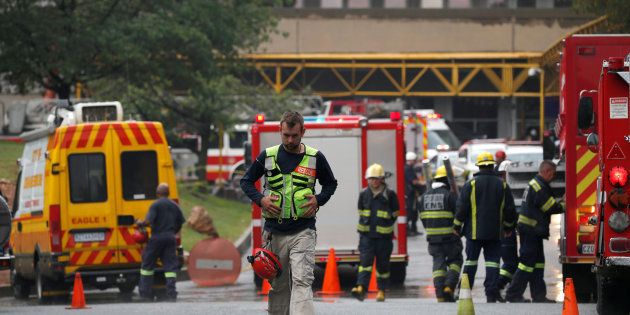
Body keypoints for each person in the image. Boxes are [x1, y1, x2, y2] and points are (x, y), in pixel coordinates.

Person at [240, 111, 338, 315]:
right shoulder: (267, 156)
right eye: (286, 135)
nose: (290, 140)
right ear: (280, 131)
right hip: (274, 232)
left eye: (294, 135)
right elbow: (246, 181)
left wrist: (319, 199)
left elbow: (330, 184)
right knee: (279, 285)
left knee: (302, 280)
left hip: (303, 231)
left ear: (303, 131)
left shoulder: (315, 157)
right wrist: (261, 200)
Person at [453, 152, 517, 303]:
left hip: (473, 232)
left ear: (479, 166)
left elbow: (462, 208)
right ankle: (492, 294)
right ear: (492, 165)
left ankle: (463, 292)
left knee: (470, 262)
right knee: (493, 263)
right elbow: (510, 209)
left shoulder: (471, 184)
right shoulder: (502, 184)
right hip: (495, 233)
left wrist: (456, 226)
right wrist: (508, 228)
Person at [506, 160, 564, 303]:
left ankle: (538, 295)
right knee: (526, 263)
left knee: (538, 263)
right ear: (547, 171)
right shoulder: (539, 187)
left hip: (533, 231)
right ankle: (513, 294)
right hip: (531, 231)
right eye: (553, 173)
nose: (553, 177)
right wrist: (564, 203)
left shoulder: (537, 184)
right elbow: (549, 207)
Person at [351, 163, 399, 303]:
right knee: (365, 263)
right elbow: (361, 210)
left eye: (376, 178)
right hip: (366, 237)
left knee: (383, 266)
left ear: (382, 179)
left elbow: (396, 212)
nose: (374, 181)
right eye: (371, 178)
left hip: (384, 238)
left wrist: (386, 222)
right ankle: (361, 288)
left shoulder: (390, 194)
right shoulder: (364, 194)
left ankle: (381, 291)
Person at [418, 166, 462, 302]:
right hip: (450, 238)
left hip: (433, 239)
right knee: (456, 261)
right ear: (447, 181)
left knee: (438, 266)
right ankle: (449, 286)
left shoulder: (424, 197)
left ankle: (440, 295)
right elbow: (458, 215)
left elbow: (423, 218)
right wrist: (458, 230)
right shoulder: (450, 195)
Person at [137, 183, 185, 301]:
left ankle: (145, 293)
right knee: (170, 266)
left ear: (157, 193)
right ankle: (171, 293)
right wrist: (173, 232)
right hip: (170, 238)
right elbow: (180, 221)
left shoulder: (155, 205)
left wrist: (140, 223)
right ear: (168, 193)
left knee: (147, 265)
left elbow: (149, 221)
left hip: (157, 238)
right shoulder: (174, 205)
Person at [495, 160, 519, 292]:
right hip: (505, 232)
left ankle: (501, 286)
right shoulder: (503, 188)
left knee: (510, 262)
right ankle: (498, 285)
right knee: (511, 263)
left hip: (500, 230)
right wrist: (509, 227)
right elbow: (509, 211)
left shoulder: (498, 187)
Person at [404, 151, 424, 236]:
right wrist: (423, 183)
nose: (415, 162)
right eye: (414, 160)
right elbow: (413, 181)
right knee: (410, 211)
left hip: (411, 193)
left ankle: (413, 229)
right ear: (411, 160)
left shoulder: (409, 168)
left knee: (414, 211)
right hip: (410, 194)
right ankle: (408, 229)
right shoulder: (408, 169)